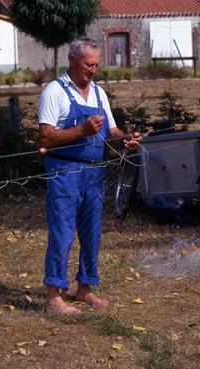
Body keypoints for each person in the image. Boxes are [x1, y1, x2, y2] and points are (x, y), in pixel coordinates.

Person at [39, 38, 141, 316]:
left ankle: (85, 287)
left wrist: (125, 140)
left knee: (92, 232)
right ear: (72, 60)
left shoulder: (98, 93)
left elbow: (111, 131)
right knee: (62, 233)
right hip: (64, 171)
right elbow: (46, 135)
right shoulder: (54, 91)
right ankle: (53, 296)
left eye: (96, 65)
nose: (93, 70)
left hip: (94, 173)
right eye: (88, 64)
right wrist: (80, 132)